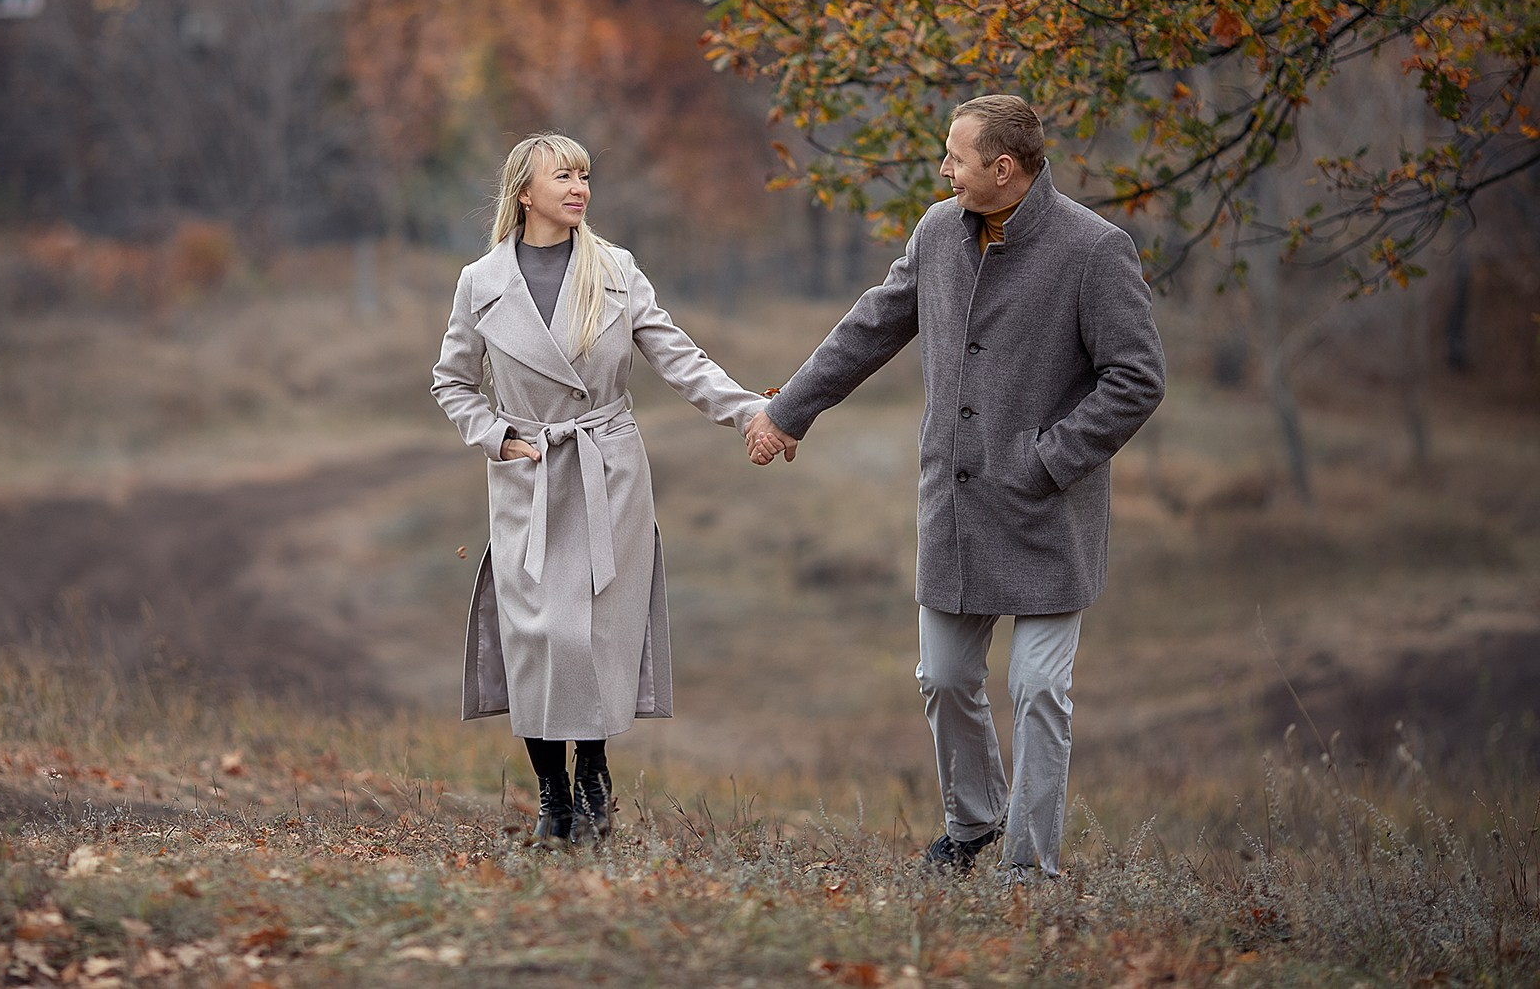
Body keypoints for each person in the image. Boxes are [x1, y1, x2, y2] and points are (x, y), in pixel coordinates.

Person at [745, 95, 1165, 878]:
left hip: (1048, 513)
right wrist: (788, 411)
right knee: (943, 677)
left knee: (1038, 690)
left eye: (955, 157)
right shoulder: (939, 231)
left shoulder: (1094, 248)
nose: (943, 169)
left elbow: (1137, 378)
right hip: (958, 509)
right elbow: (873, 325)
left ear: (1002, 168)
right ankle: (974, 822)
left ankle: (1029, 870)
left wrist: (1047, 460)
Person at [432, 133, 766, 845]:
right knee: (539, 637)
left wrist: (751, 412)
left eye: (584, 175)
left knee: (591, 636)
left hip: (608, 472)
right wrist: (496, 436)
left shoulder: (617, 269)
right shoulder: (480, 282)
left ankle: (592, 775)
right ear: (525, 193)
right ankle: (552, 795)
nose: (579, 187)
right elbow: (452, 382)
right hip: (529, 474)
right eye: (563, 176)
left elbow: (679, 358)